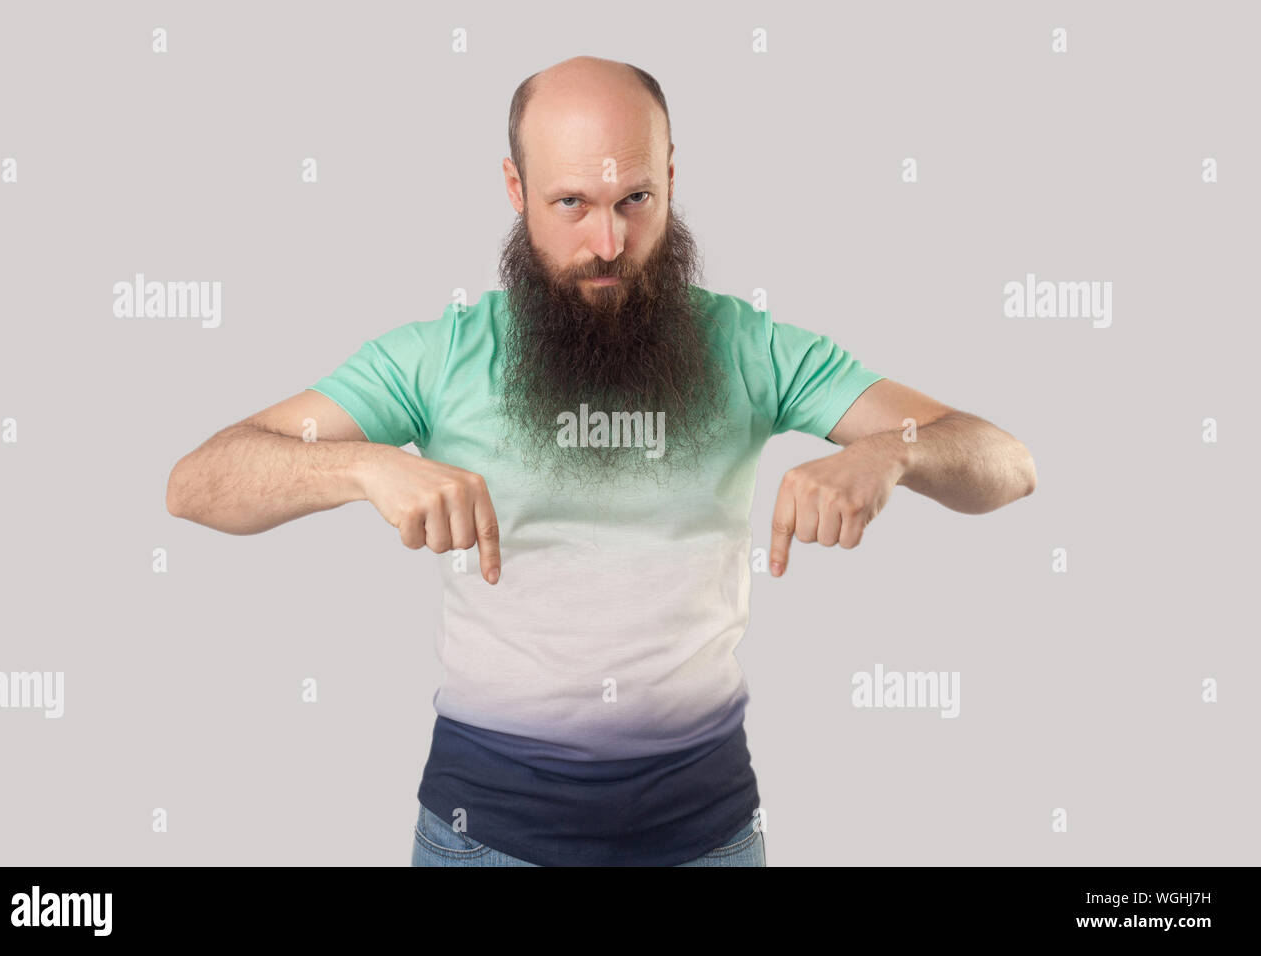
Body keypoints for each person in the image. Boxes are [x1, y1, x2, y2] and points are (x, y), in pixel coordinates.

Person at [165, 55, 1037, 867]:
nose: (609, 244)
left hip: (711, 839)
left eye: (636, 201)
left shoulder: (752, 347)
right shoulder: (438, 357)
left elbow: (1006, 461)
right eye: (571, 204)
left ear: (672, 182)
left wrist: (893, 453)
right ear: (515, 188)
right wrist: (361, 468)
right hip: (484, 839)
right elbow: (198, 481)